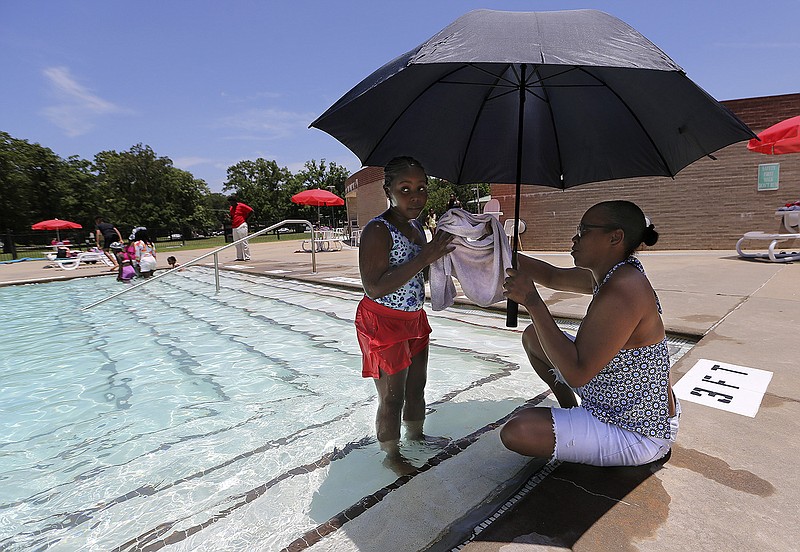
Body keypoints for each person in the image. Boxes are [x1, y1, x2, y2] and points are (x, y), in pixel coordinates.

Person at [500, 200, 679, 467]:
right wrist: (497, 250)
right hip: (614, 395)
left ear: (615, 237)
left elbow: (576, 372)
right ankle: (571, 410)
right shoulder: (612, 273)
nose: (574, 238)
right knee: (533, 337)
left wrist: (532, 301)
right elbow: (552, 276)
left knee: (517, 431)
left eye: (583, 231)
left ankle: (582, 423)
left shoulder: (624, 290)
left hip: (635, 430)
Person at [355, 156, 455, 472]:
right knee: (392, 397)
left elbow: (421, 274)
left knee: (417, 387)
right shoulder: (377, 230)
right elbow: (373, 287)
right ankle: (391, 455)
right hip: (383, 320)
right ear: (389, 190)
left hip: (413, 318)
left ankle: (416, 435)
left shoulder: (416, 228)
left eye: (422, 188)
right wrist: (425, 257)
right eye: (405, 188)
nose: (416, 196)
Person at [228, 195, 254, 261]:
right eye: (230, 202)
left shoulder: (241, 205)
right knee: (236, 242)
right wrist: (228, 217)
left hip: (241, 225)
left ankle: (247, 257)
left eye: (231, 202)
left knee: (244, 242)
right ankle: (240, 257)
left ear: (235, 201)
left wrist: (246, 219)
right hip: (234, 226)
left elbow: (251, 211)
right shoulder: (231, 208)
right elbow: (232, 217)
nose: (231, 204)